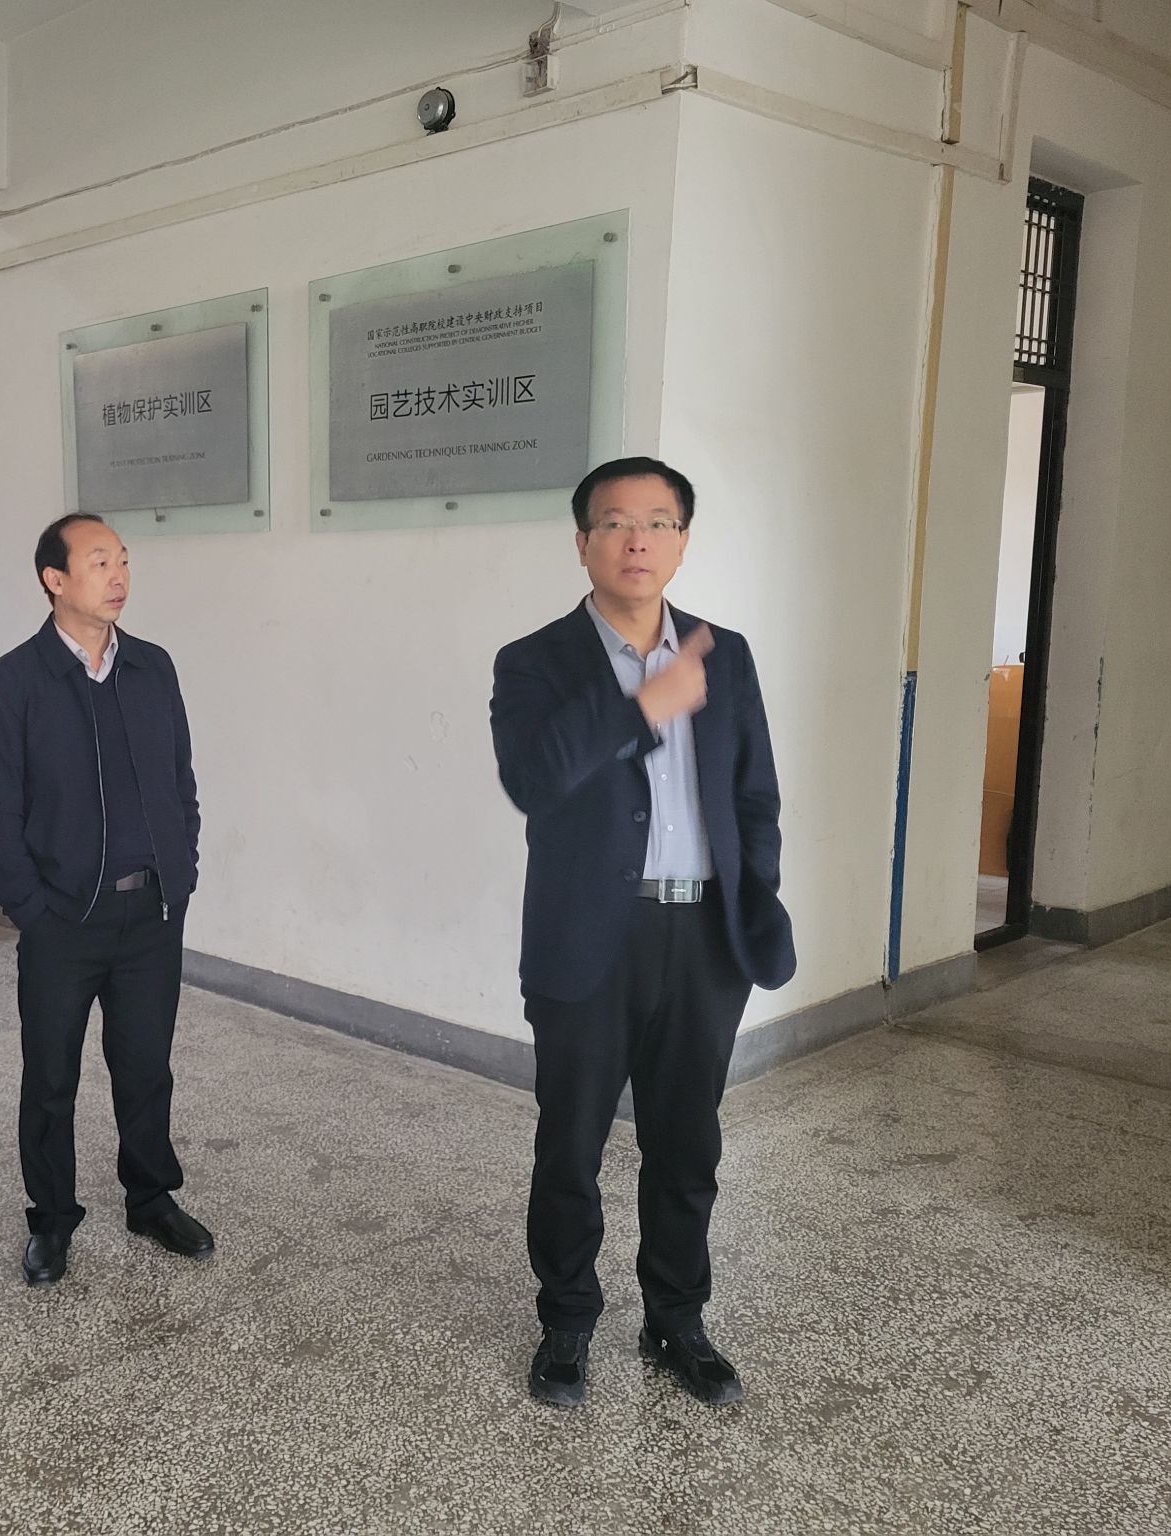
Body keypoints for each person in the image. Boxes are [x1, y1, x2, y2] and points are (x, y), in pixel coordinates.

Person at [489, 457, 796, 1408]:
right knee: (570, 1145)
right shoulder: (533, 660)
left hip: (703, 940)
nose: (637, 540)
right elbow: (533, 779)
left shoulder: (724, 655)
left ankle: (677, 1318)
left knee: (687, 1145)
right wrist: (637, 709)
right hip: (592, 938)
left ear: (682, 542)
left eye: (659, 522)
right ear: (583, 543)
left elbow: (755, 796)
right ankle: (567, 1320)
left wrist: (754, 898)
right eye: (616, 523)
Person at [0, 514, 207, 1287]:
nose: (119, 575)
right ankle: (51, 1218)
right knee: (50, 1079)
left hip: (151, 915)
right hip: (62, 920)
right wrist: (32, 910)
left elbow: (180, 783)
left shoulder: (153, 668)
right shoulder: (11, 684)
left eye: (123, 560)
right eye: (100, 561)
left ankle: (151, 1198)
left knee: (146, 1068)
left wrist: (181, 870)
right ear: (55, 580)